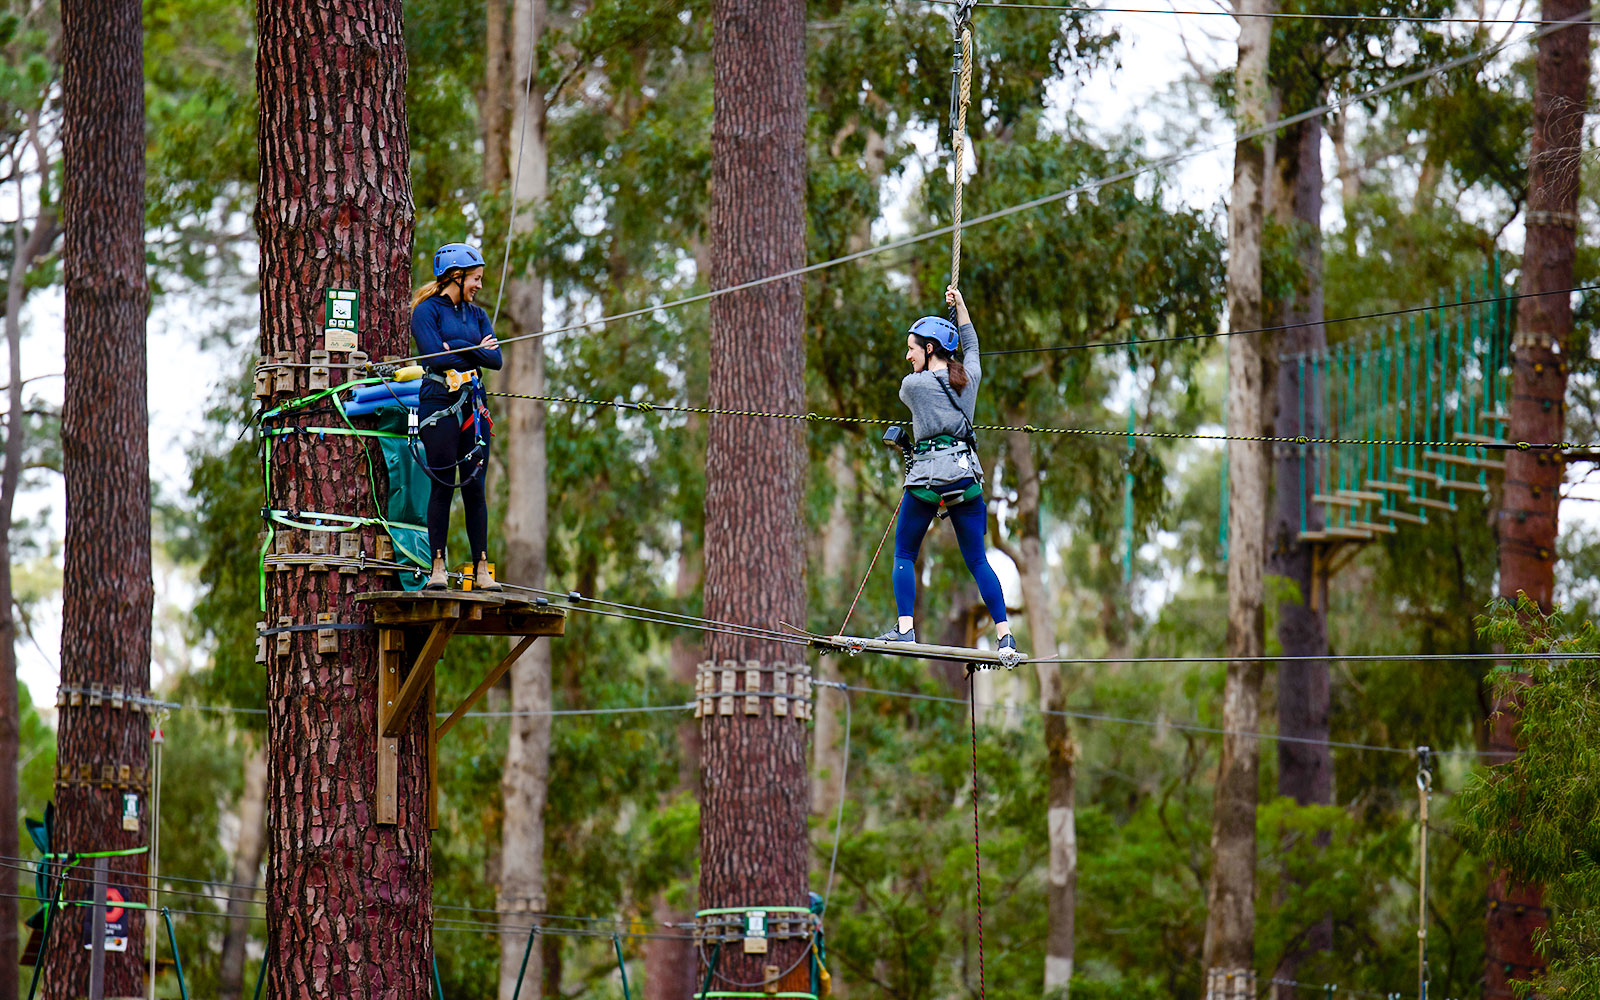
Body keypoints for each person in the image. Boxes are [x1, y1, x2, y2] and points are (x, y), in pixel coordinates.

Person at [879, 285, 1018, 665]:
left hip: (926, 480)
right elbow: (972, 347)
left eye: (912, 348)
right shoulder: (969, 378)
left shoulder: (913, 386)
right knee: (977, 560)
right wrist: (962, 307)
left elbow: (921, 386)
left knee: (906, 551)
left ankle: (906, 628)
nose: (907, 356)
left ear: (928, 349)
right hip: (964, 477)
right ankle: (1005, 636)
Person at [409, 242, 504, 590]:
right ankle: (437, 567)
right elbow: (433, 357)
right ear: (456, 275)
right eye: (475, 279)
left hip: (472, 406)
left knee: (475, 489)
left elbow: (496, 361)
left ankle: (481, 568)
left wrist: (461, 353)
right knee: (443, 486)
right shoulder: (426, 311)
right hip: (438, 403)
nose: (479, 285)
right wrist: (477, 350)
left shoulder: (477, 315)